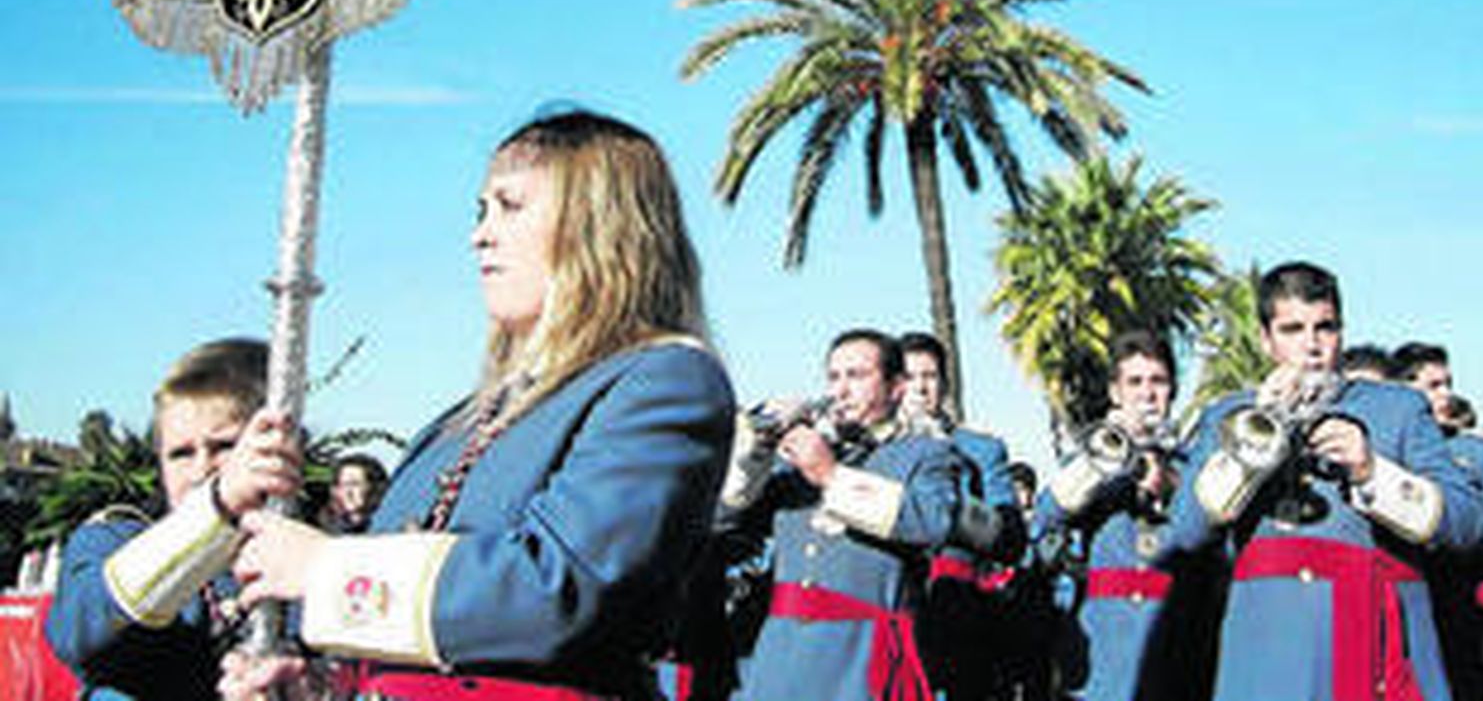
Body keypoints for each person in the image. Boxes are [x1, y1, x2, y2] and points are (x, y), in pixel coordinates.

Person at [229, 107, 736, 701]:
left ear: (599, 225)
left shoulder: (663, 380)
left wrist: (329, 571)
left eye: (510, 206)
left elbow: (561, 591)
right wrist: (316, 683)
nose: (480, 234)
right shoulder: (454, 424)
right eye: (480, 211)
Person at [1169, 260, 1483, 701]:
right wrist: (1252, 445)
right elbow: (1185, 531)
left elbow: (1467, 523)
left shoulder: (1398, 408)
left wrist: (1373, 471)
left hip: (1376, 646)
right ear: (1265, 339)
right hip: (1268, 654)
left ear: (1342, 332)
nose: (1312, 346)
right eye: (1292, 330)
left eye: (1325, 328)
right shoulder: (1228, 416)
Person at [45, 337, 301, 700]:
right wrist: (219, 503)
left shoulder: (307, 556)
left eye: (224, 446)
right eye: (181, 454)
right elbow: (78, 631)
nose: (200, 470)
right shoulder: (113, 539)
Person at [718, 328, 962, 701]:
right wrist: (755, 453)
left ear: (896, 387)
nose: (840, 391)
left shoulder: (926, 454)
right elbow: (725, 521)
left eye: (856, 376)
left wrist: (831, 477)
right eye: (833, 377)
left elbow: (934, 521)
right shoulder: (803, 458)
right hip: (779, 664)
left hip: (861, 663)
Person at [1032, 329, 1214, 701]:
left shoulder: (1196, 464)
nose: (1147, 394)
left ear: (1173, 390)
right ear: (1115, 393)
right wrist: (1105, 461)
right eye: (1135, 382)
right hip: (1104, 656)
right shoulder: (1091, 459)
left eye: (1158, 381)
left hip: (1175, 648)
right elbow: (1047, 515)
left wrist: (1171, 482)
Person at [1392, 341, 1483, 700]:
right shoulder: (1386, 447)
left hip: (1461, 600)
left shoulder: (1476, 452)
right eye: (1434, 385)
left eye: (1448, 383)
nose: (1447, 395)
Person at [899, 330, 1025, 701]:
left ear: (945, 385)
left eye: (929, 376)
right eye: (909, 377)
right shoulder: (872, 450)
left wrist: (951, 508)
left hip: (960, 620)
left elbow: (1011, 538)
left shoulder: (981, 450)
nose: (919, 389)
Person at [319, 454, 388, 534]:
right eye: (343, 485)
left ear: (373, 487)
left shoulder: (386, 526)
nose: (348, 492)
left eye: (354, 484)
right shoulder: (323, 531)